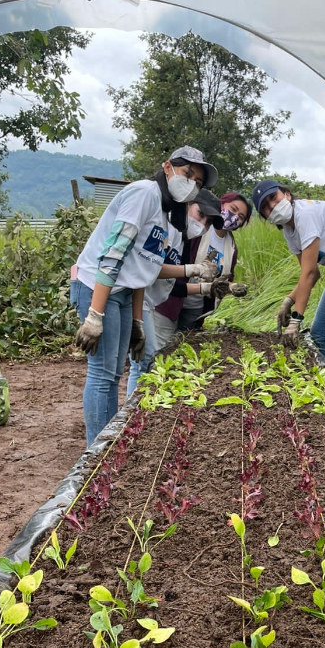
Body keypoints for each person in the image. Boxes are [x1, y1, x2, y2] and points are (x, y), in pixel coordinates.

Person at [72, 145, 219, 444]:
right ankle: (96, 453)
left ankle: (107, 445)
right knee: (102, 374)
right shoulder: (145, 193)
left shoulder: (167, 215)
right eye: (187, 174)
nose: (191, 184)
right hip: (98, 286)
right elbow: (113, 254)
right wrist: (95, 315)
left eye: (198, 182)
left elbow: (142, 271)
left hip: (125, 293)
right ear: (168, 168)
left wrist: (138, 322)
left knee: (114, 374)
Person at [126, 187, 228, 395]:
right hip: (141, 303)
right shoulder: (166, 228)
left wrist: (205, 288)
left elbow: (173, 285)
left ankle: (136, 410)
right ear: (188, 205)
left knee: (147, 362)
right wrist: (194, 269)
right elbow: (148, 268)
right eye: (200, 215)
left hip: (148, 303)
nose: (202, 224)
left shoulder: (181, 240)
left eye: (208, 222)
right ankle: (132, 414)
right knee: (140, 364)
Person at [251, 179, 325, 377]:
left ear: (286, 194)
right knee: (318, 335)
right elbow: (311, 275)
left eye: (274, 198)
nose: (272, 206)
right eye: (266, 208)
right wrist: (288, 301)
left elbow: (310, 273)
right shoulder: (289, 230)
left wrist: (296, 319)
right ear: (265, 217)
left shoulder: (305, 214)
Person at [172, 191, 251, 333]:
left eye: (240, 217)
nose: (234, 218)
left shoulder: (231, 247)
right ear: (222, 204)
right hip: (173, 296)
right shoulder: (199, 228)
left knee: (184, 342)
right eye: (233, 209)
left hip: (197, 306)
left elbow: (225, 278)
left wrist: (231, 286)